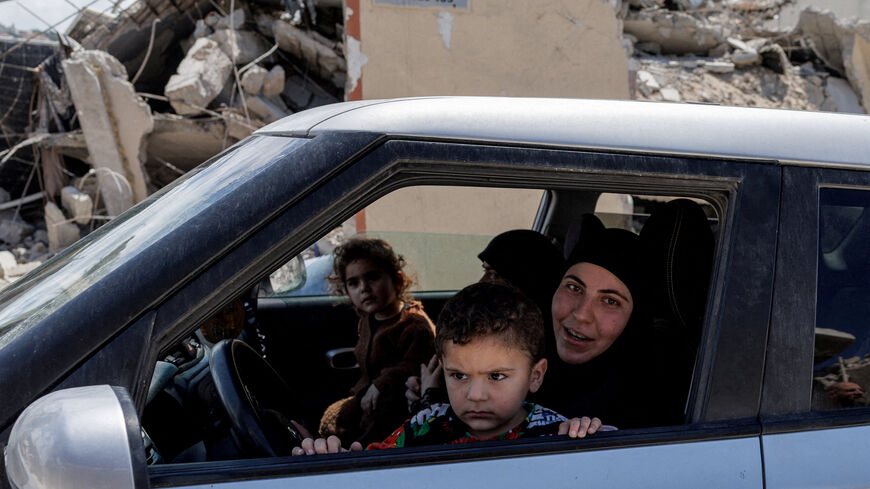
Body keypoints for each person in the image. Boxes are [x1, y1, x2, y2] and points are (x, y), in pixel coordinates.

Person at [293, 283, 601, 455]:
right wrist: (330, 457)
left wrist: (591, 432)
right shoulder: (428, 424)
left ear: (535, 376)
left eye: (496, 376)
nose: (476, 395)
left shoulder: (557, 435)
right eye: (458, 375)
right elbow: (371, 466)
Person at [535, 226, 683, 428]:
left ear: (634, 320)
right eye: (574, 287)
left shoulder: (643, 416)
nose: (581, 314)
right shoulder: (519, 362)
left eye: (610, 301)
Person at [406, 229, 565, 412]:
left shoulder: (543, 352)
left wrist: (431, 399)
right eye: (459, 375)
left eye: (494, 275)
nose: (481, 282)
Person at [317, 237, 436, 445]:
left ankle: (361, 454)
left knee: (373, 431)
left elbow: (416, 364)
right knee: (331, 419)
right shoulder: (368, 318)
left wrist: (381, 384)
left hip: (398, 403)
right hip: (367, 396)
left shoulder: (414, 325)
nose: (364, 288)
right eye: (354, 283)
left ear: (397, 281)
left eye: (372, 277)